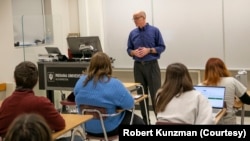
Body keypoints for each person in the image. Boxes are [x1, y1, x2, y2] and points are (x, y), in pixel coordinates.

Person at [74, 52, 145, 137]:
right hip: (109, 128)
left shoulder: (80, 82)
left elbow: (77, 98)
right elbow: (130, 104)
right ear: (108, 66)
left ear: (91, 65)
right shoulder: (114, 83)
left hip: (87, 127)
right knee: (138, 122)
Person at [0, 61, 65, 137]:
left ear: (15, 79)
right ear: (36, 81)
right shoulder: (41, 103)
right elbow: (60, 124)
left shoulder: (6, 103)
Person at [127, 10, 166, 124]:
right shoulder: (132, 33)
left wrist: (149, 50)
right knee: (141, 96)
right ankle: (145, 122)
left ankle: (160, 121)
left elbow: (162, 47)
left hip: (152, 66)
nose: (134, 21)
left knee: (156, 96)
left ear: (143, 18)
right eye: (133, 19)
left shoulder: (155, 31)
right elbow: (128, 49)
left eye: (136, 18)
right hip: (138, 67)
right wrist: (133, 52)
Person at [201, 57, 250, 124]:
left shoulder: (201, 85)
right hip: (228, 121)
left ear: (207, 70)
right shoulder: (231, 81)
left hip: (209, 121)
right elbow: (247, 100)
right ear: (223, 68)